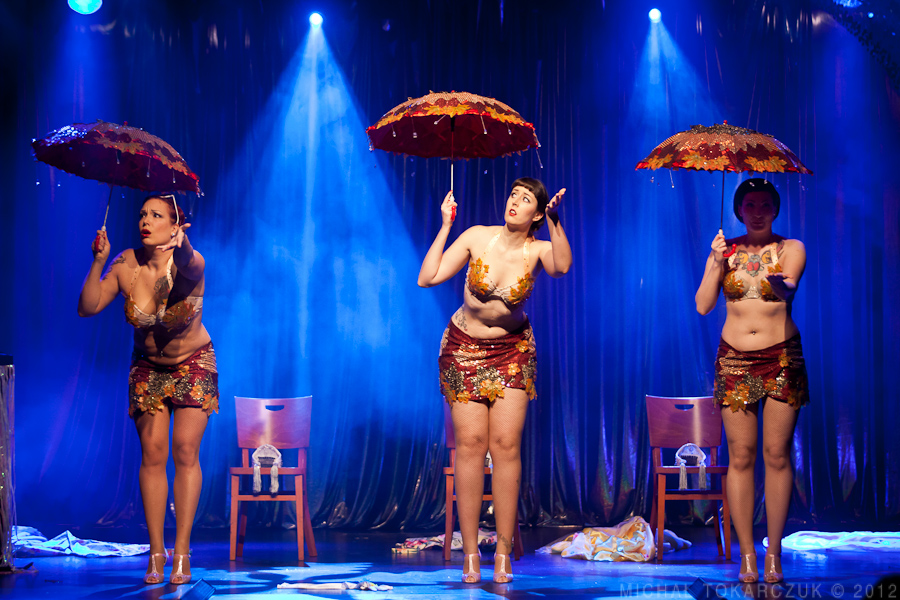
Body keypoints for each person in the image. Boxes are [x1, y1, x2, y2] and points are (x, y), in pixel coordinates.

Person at [418, 178, 572, 583]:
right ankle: (470, 554)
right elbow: (427, 277)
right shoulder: (477, 236)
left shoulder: (538, 249)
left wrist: (555, 221)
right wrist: (446, 225)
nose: (515, 201)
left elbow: (562, 267)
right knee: (470, 445)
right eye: (513, 194)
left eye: (526, 199)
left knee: (505, 446)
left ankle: (503, 553)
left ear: (536, 213)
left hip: (512, 352)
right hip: (463, 349)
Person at [78, 194, 218, 585]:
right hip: (148, 367)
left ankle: (182, 552)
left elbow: (189, 261)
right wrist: (99, 261)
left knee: (185, 451)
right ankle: (157, 552)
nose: (145, 220)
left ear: (175, 225)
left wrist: (183, 244)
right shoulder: (127, 263)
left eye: (156, 215)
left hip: (193, 363)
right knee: (153, 455)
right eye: (142, 214)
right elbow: (87, 307)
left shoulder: (191, 262)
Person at [695, 178, 809, 584]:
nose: (757, 211)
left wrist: (781, 284)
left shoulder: (790, 247)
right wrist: (715, 263)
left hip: (781, 357)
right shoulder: (725, 250)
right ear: (739, 210)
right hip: (735, 359)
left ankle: (773, 553)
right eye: (749, 204)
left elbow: (789, 287)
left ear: (775, 209)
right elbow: (703, 306)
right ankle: (746, 555)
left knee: (776, 455)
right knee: (741, 457)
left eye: (764, 204)